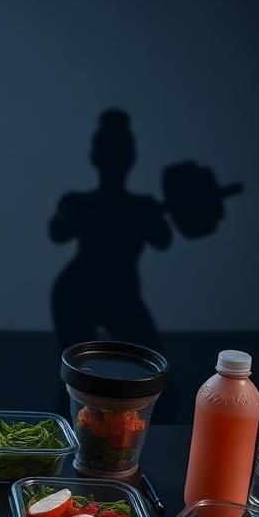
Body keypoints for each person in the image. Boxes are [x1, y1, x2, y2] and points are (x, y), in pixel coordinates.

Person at [49, 109, 172, 355]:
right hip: (77, 293)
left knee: (155, 370)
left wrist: (145, 215)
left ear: (129, 158)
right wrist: (89, 214)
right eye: (108, 150)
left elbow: (163, 239)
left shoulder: (142, 207)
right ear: (96, 157)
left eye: (119, 151)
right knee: (76, 374)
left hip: (122, 294)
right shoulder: (78, 203)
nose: (113, 158)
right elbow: (57, 231)